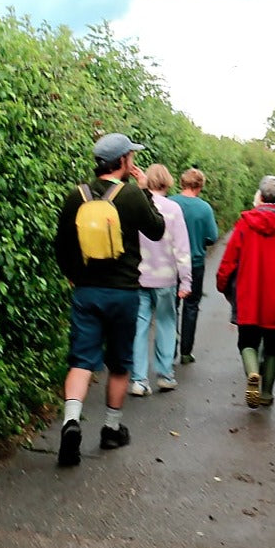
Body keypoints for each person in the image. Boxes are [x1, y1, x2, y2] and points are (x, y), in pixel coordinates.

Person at [53, 133, 165, 467]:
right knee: (119, 363)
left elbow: (62, 245)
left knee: (80, 361)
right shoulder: (131, 195)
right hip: (124, 293)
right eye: (131, 157)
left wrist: (74, 275)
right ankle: (110, 430)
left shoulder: (77, 196)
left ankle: (71, 422)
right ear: (124, 161)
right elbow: (157, 230)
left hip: (87, 291)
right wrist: (145, 189)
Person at [215, 175, 275, 409]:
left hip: (249, 296)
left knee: (247, 342)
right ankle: (266, 394)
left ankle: (252, 372)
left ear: (260, 196)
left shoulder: (245, 224)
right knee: (274, 346)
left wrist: (222, 282)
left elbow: (229, 259)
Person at [129, 164, 192, 396]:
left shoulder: (137, 206)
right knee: (166, 323)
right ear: (167, 182)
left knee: (139, 326)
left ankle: (139, 380)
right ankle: (165, 375)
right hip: (166, 278)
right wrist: (186, 281)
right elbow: (182, 248)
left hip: (139, 276)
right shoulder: (173, 208)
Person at [169, 167, 219, 363]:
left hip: (171, 262)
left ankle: (169, 349)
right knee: (191, 306)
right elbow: (212, 237)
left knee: (171, 307)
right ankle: (186, 352)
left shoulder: (170, 203)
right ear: (199, 186)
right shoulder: (204, 208)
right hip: (195, 263)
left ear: (182, 183)